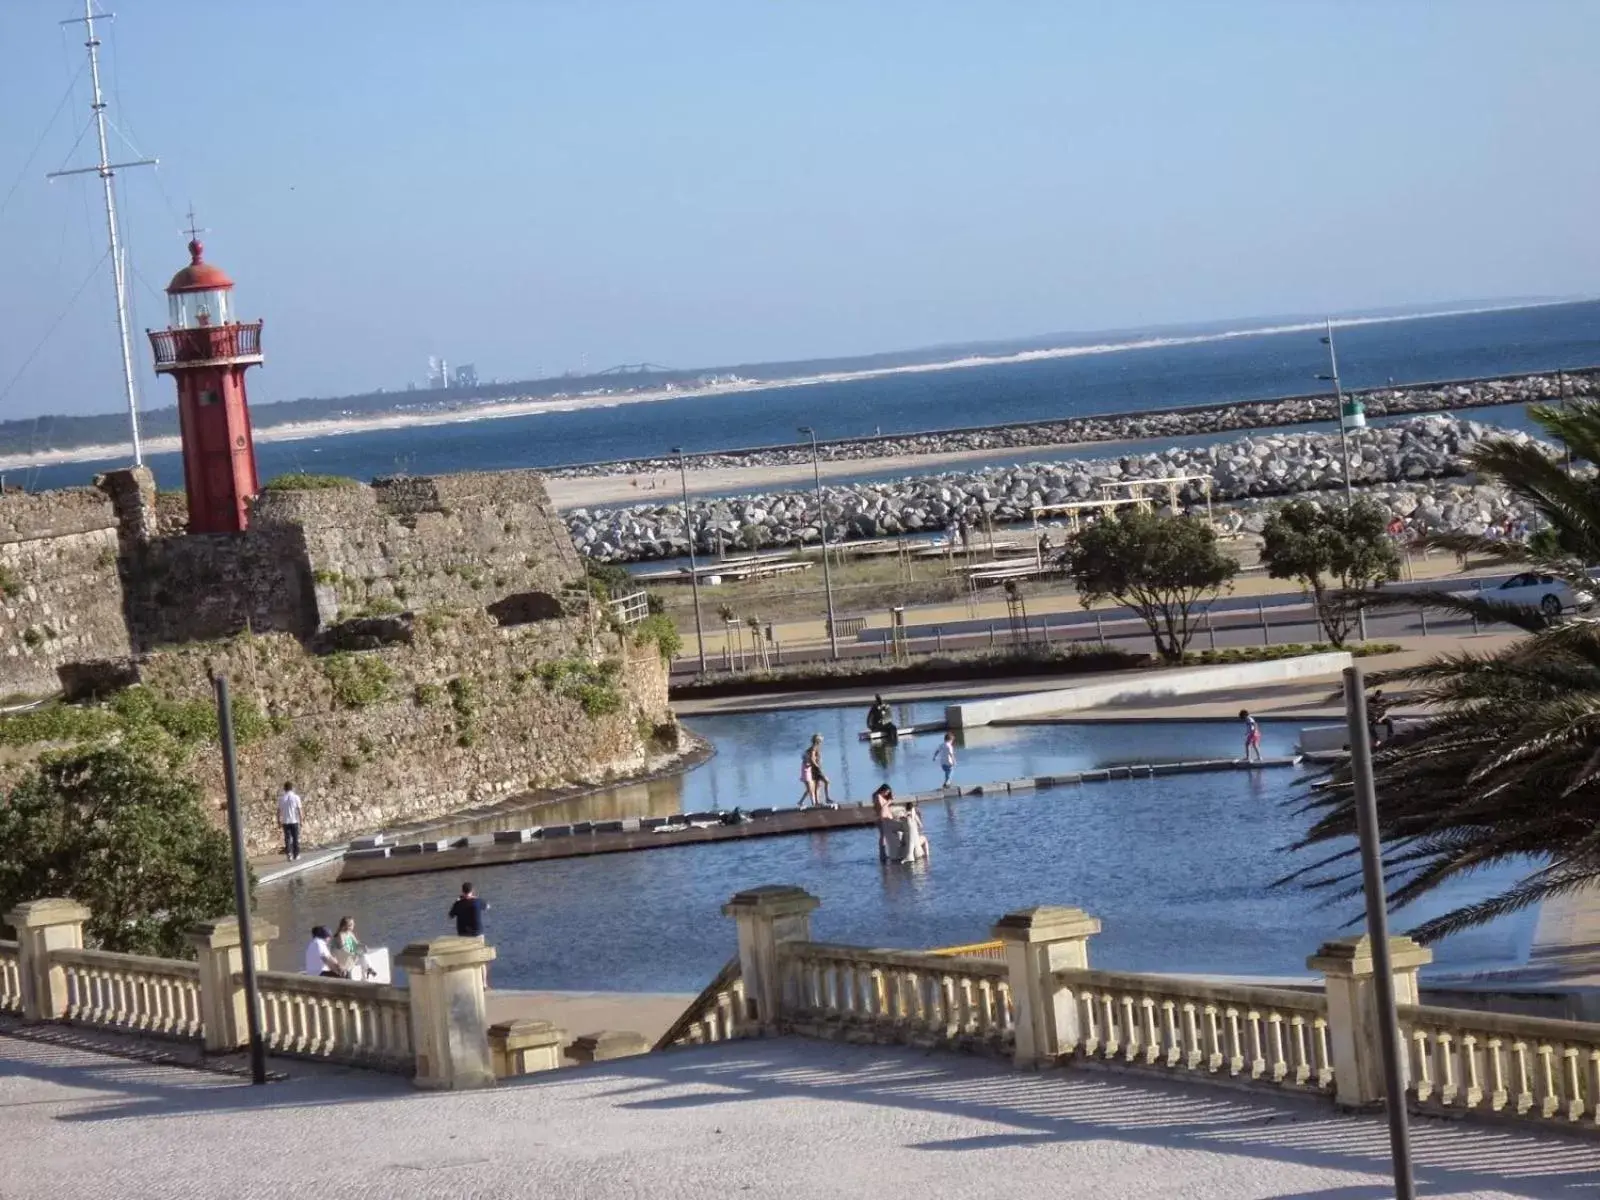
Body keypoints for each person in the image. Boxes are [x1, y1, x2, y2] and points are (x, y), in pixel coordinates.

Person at [804, 734, 833, 806]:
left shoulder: (814, 748)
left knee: (818, 785)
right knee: (827, 781)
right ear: (817, 741)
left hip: (814, 769)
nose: (821, 742)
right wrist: (817, 766)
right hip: (816, 769)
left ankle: (817, 802)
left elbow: (808, 754)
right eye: (820, 741)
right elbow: (812, 758)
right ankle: (827, 798)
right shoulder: (814, 748)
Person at [278, 782, 303, 862]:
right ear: (292, 788)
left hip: (285, 821)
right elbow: (299, 810)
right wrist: (301, 820)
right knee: (295, 838)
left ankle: (289, 854)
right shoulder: (296, 797)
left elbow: (279, 811)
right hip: (294, 820)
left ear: (284, 789)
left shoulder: (282, 798)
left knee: (287, 838)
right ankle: (296, 854)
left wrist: (278, 820)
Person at [872, 783, 897, 862]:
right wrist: (888, 802)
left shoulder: (881, 797)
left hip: (886, 819)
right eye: (886, 792)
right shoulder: (878, 796)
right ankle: (882, 854)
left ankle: (886, 853)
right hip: (881, 819)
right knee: (883, 836)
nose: (887, 794)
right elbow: (882, 807)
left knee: (886, 836)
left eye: (888, 792)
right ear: (883, 790)